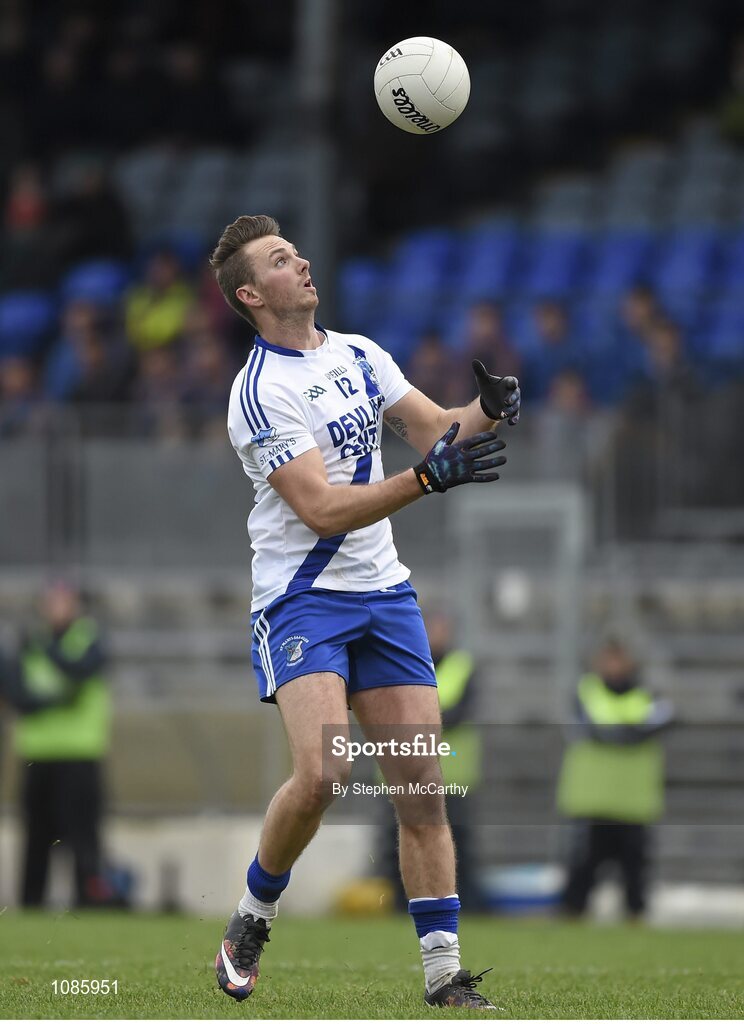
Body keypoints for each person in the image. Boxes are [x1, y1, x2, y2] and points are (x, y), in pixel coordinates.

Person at [209, 214, 521, 1009]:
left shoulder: (359, 353)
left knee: (420, 784)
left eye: (297, 250)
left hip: (384, 594)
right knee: (322, 774)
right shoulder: (258, 392)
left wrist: (488, 409)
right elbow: (319, 509)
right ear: (252, 293)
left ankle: (444, 975)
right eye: (282, 259)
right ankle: (253, 914)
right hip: (303, 597)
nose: (303, 261)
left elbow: (436, 432)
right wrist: (425, 479)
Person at [2, 581, 112, 907]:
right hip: (37, 755)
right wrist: (59, 699)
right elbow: (18, 696)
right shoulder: (30, 643)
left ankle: (88, 903)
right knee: (36, 838)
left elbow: (80, 671)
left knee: (82, 838)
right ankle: (31, 903)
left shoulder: (88, 638)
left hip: (80, 754)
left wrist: (48, 654)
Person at [556, 637, 674, 920]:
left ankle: (635, 918)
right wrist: (628, 733)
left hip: (632, 800)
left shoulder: (650, 696)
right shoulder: (585, 692)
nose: (614, 665)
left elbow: (655, 724)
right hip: (591, 799)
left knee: (635, 870)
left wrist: (620, 734)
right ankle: (572, 917)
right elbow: (607, 731)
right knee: (583, 867)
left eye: (619, 658)